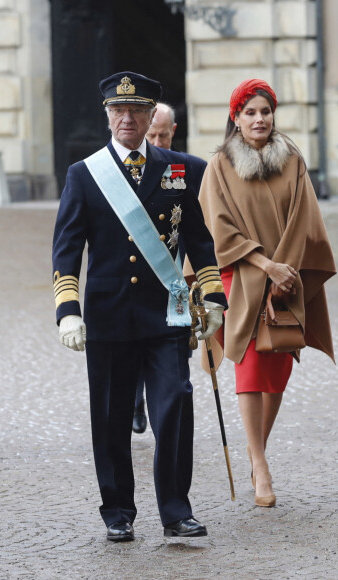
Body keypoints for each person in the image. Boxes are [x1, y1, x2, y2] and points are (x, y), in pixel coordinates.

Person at [52, 71, 228, 542]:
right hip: (109, 315)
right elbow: (66, 250)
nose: (126, 118)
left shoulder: (184, 168)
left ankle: (175, 509)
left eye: (136, 110)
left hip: (165, 313)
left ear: (153, 116)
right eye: (118, 110)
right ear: (107, 115)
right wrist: (67, 308)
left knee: (175, 405)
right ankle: (117, 510)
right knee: (110, 416)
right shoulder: (84, 174)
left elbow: (199, 240)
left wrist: (212, 297)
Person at [195, 78, 335, 508]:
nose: (259, 119)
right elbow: (217, 225)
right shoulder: (219, 164)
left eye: (266, 111)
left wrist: (284, 272)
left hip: (286, 279)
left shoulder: (292, 160)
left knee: (277, 371)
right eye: (250, 112)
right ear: (235, 118)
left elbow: (305, 220)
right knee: (250, 367)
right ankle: (260, 463)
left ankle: (257, 453)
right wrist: (264, 264)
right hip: (240, 276)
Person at [133, 102, 208, 434]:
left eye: (164, 135)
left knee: (175, 356)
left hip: (175, 279)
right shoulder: (125, 169)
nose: (159, 142)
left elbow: (202, 228)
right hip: (137, 277)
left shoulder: (192, 168)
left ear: (173, 131)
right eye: (153, 135)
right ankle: (136, 398)